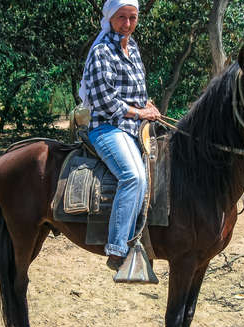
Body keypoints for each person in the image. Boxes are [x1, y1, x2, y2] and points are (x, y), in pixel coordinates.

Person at [79, 0, 160, 271]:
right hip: (107, 127)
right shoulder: (101, 52)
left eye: (133, 17)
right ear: (110, 18)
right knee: (133, 176)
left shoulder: (133, 48)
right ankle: (117, 248)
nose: (127, 24)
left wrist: (148, 106)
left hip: (134, 127)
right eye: (121, 17)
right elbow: (106, 104)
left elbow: (137, 92)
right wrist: (140, 114)